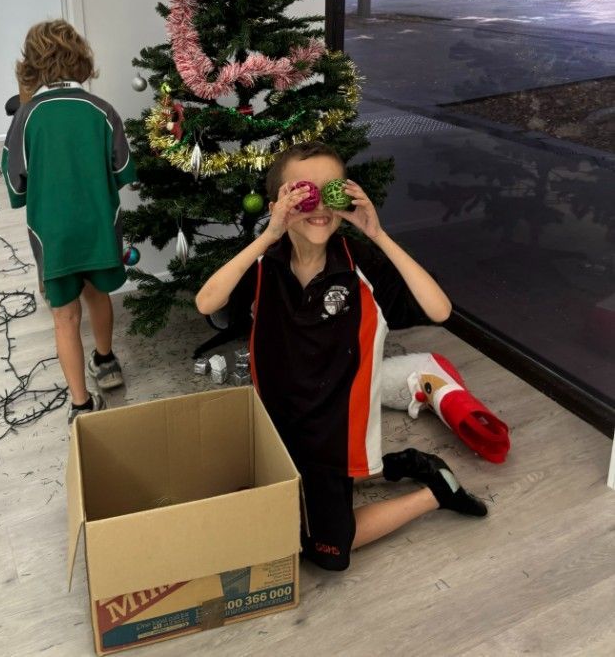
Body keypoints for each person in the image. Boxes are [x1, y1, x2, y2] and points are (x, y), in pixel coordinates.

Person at [196, 141, 488, 571]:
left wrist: (378, 234)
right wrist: (269, 235)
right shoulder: (264, 266)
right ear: (279, 202)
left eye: (330, 191)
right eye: (303, 192)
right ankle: (398, 464)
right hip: (274, 428)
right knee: (265, 520)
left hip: (334, 437)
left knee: (324, 552)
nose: (318, 205)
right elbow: (207, 302)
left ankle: (435, 492)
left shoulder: (360, 262)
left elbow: (438, 309)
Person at [2, 20, 136, 426]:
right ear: (82, 61)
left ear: (31, 66)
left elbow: (16, 186)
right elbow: (123, 169)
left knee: (64, 316)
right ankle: (106, 360)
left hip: (53, 238)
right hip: (100, 227)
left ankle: (80, 406)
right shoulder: (103, 110)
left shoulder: (25, 117)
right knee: (99, 296)